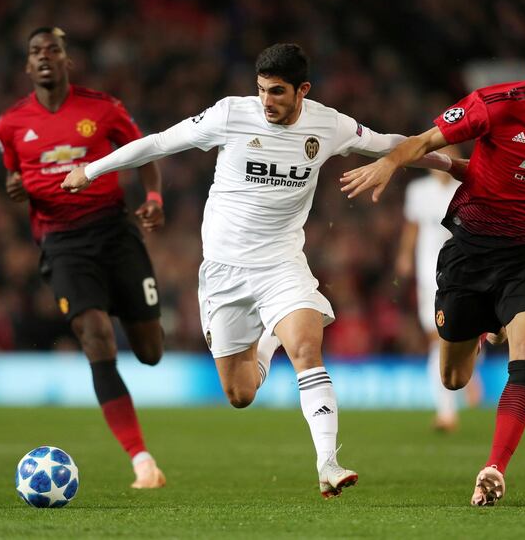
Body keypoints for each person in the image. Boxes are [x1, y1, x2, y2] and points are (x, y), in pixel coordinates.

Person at [61, 43, 461, 498]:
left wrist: (452, 163)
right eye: (261, 90)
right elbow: (159, 142)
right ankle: (267, 343)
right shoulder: (232, 114)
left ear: (302, 91)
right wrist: (91, 170)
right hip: (225, 272)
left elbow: (390, 143)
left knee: (308, 350)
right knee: (240, 393)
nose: (267, 101)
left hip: (281, 264)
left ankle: (328, 463)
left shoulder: (327, 124)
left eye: (277, 92)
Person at [341, 33, 525, 506]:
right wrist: (389, 162)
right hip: (470, 251)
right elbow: (426, 138)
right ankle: (491, 324)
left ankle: (494, 468)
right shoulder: (495, 104)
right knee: (453, 378)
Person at [0, 27, 167, 489]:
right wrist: (13, 186)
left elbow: (144, 151)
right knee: (95, 338)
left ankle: (134, 322)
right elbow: (13, 176)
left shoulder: (103, 108)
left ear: (68, 61)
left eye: (54, 49)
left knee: (150, 352)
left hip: (115, 233)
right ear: (28, 67)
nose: (45, 57)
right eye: (36, 52)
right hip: (62, 243)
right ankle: (142, 461)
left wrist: (152, 195)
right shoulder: (10, 124)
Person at [395, 164, 482, 433]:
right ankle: (447, 411)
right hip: (428, 274)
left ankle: (469, 369)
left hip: (463, 271)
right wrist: (405, 255)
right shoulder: (418, 190)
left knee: (461, 333)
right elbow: (412, 227)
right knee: (437, 337)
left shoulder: (465, 190)